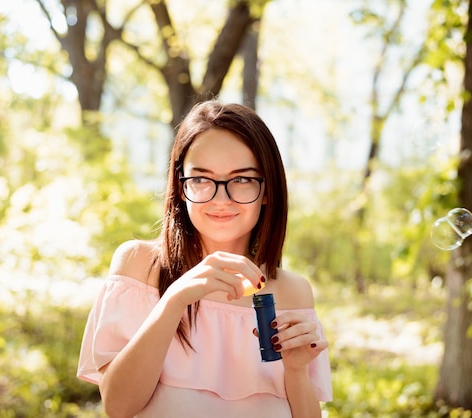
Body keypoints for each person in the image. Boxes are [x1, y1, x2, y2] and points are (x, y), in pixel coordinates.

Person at [77, 100, 332, 418]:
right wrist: (175, 299)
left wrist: (295, 372)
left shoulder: (292, 292)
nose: (221, 199)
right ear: (180, 187)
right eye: (201, 179)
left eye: (241, 179)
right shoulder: (139, 265)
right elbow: (118, 406)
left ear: (267, 190)